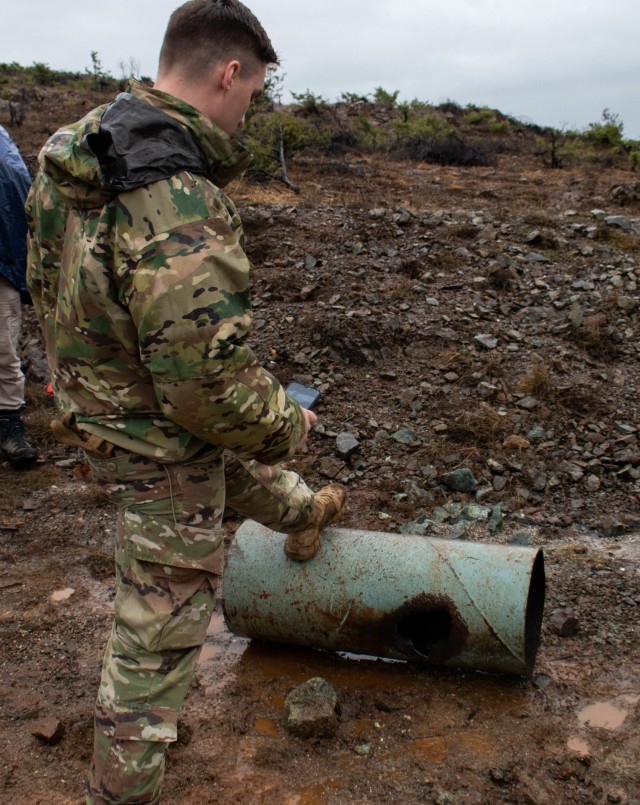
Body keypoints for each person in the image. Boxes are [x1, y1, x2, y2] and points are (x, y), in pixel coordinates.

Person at [26, 1, 347, 802]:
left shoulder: (79, 147)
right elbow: (206, 390)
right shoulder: (175, 196)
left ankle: (305, 511)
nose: (249, 113)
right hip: (157, 429)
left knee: (210, 471)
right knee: (158, 626)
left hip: (98, 407)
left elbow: (42, 283)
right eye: (254, 94)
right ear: (229, 72)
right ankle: (124, 787)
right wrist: (286, 423)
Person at [0, 125, 38, 467]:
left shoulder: (3, 147)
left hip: (2, 263)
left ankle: (9, 426)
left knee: (4, 349)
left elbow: (17, 196)